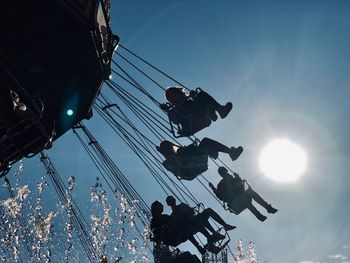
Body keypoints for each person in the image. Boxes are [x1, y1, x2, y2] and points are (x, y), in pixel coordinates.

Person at [209, 167, 278, 222]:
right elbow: (221, 197)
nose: (227, 174)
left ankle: (266, 209)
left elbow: (241, 187)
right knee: (244, 196)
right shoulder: (221, 185)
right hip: (235, 203)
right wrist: (213, 189)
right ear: (222, 174)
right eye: (225, 173)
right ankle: (260, 214)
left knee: (249, 194)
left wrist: (238, 178)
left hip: (241, 199)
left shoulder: (233, 179)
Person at [157, 138, 243, 180]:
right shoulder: (169, 161)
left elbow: (187, 151)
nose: (171, 148)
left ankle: (229, 152)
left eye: (171, 147)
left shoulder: (178, 153)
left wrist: (193, 145)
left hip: (196, 161)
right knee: (205, 143)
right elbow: (171, 163)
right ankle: (228, 152)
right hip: (190, 167)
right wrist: (164, 153)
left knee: (206, 143)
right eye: (169, 147)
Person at [160, 87, 233, 136]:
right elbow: (176, 121)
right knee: (188, 109)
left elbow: (198, 104)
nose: (175, 97)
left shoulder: (189, 101)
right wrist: (168, 111)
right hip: (190, 124)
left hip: (200, 117)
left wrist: (194, 96)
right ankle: (209, 113)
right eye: (172, 97)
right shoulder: (175, 109)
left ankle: (220, 110)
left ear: (179, 93)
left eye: (175, 94)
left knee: (201, 95)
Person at [166, 195, 236, 244]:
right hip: (190, 226)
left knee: (208, 211)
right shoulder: (173, 216)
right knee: (198, 220)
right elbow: (181, 224)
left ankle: (223, 226)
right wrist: (185, 216)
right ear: (169, 204)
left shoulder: (182, 205)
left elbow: (192, 212)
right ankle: (213, 234)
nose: (173, 201)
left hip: (195, 220)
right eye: (171, 201)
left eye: (172, 199)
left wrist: (188, 213)